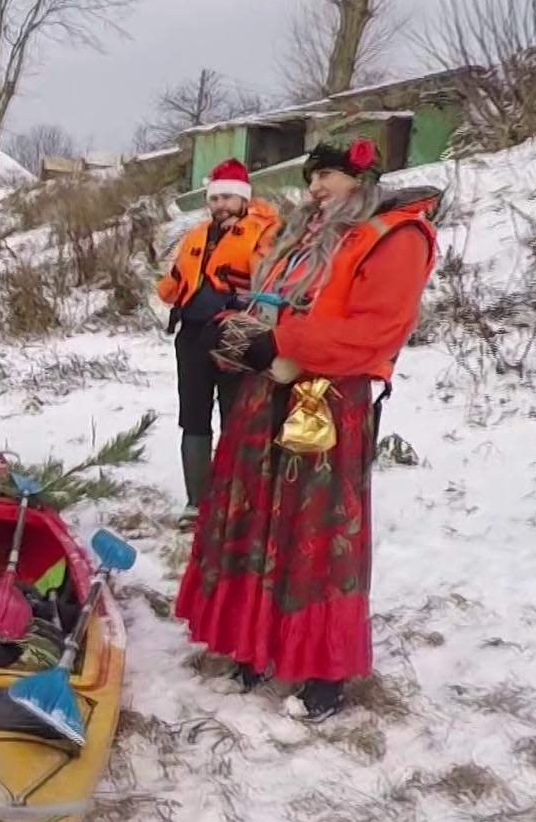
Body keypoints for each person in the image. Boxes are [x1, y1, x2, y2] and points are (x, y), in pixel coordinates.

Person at [176, 138, 440, 722]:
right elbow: (269, 302)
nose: (316, 187)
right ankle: (253, 645)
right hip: (262, 393)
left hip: (324, 401)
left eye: (329, 177)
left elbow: (377, 331)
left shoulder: (396, 237)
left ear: (361, 179)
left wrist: (284, 343)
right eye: (313, 177)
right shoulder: (302, 236)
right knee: (253, 517)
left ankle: (324, 670)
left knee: (315, 534)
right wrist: (235, 334)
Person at [158, 160, 280, 528]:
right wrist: (162, 292)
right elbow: (176, 279)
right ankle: (197, 503)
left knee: (237, 418)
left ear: (244, 198)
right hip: (193, 335)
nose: (221, 204)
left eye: (228, 197)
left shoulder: (266, 230)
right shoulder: (196, 234)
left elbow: (270, 278)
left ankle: (238, 502)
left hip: (237, 334)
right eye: (215, 198)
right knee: (193, 417)